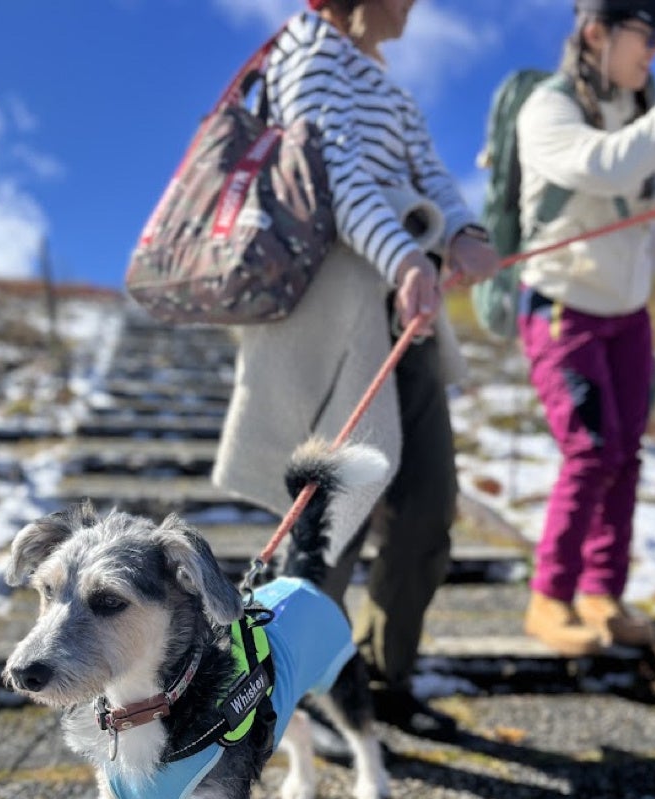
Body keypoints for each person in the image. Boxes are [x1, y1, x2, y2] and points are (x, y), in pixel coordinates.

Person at [213, 0, 500, 739]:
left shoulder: (381, 77)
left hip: (404, 314)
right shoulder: (310, 52)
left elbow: (425, 167)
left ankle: (383, 674)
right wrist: (406, 257)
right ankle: (292, 696)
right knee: (327, 525)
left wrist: (463, 229)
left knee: (428, 508)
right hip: (334, 320)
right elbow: (331, 170)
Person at [513, 0, 655, 655]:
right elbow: (603, 167)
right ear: (597, 32)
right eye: (646, 35)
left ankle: (601, 594)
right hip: (564, 310)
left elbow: (633, 183)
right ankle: (550, 598)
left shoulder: (633, 107)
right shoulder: (548, 108)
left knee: (625, 455)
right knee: (591, 452)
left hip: (628, 313)